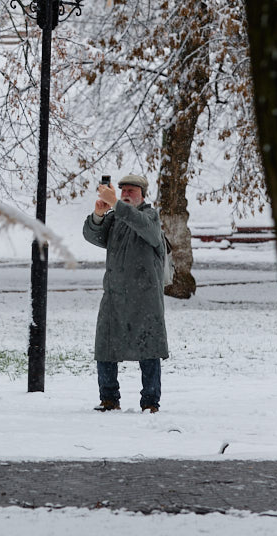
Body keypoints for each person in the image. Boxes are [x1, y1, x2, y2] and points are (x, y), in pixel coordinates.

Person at [81, 173, 169, 412]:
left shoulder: (151, 216)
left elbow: (146, 230)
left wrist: (117, 205)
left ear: (142, 194)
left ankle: (150, 402)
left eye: (132, 191)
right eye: (123, 191)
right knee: (106, 346)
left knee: (149, 349)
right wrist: (99, 215)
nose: (127, 195)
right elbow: (93, 236)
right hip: (115, 295)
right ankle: (109, 398)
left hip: (145, 298)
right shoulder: (116, 218)